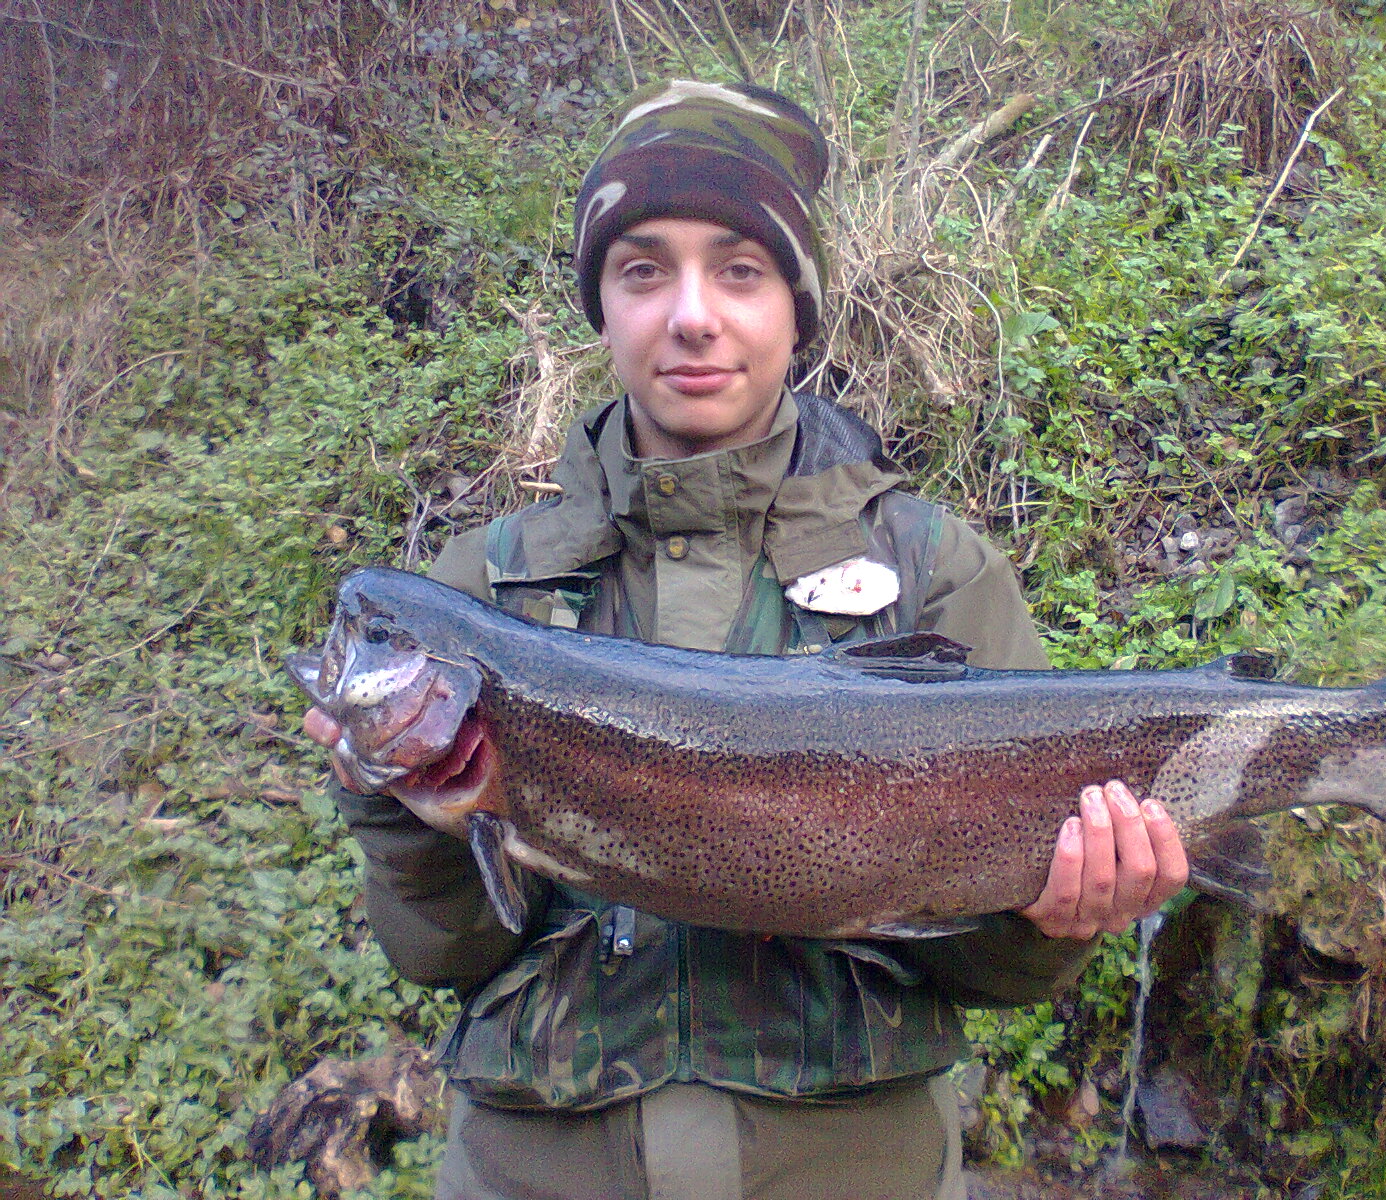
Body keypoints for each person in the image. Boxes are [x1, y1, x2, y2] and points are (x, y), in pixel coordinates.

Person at [306, 79, 1188, 1200]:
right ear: (601, 307)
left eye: (738, 268)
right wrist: (393, 813)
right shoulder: (483, 586)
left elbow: (986, 974)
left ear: (795, 303)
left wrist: (1057, 918)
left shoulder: (934, 572)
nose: (690, 315)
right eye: (642, 270)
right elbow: (442, 956)